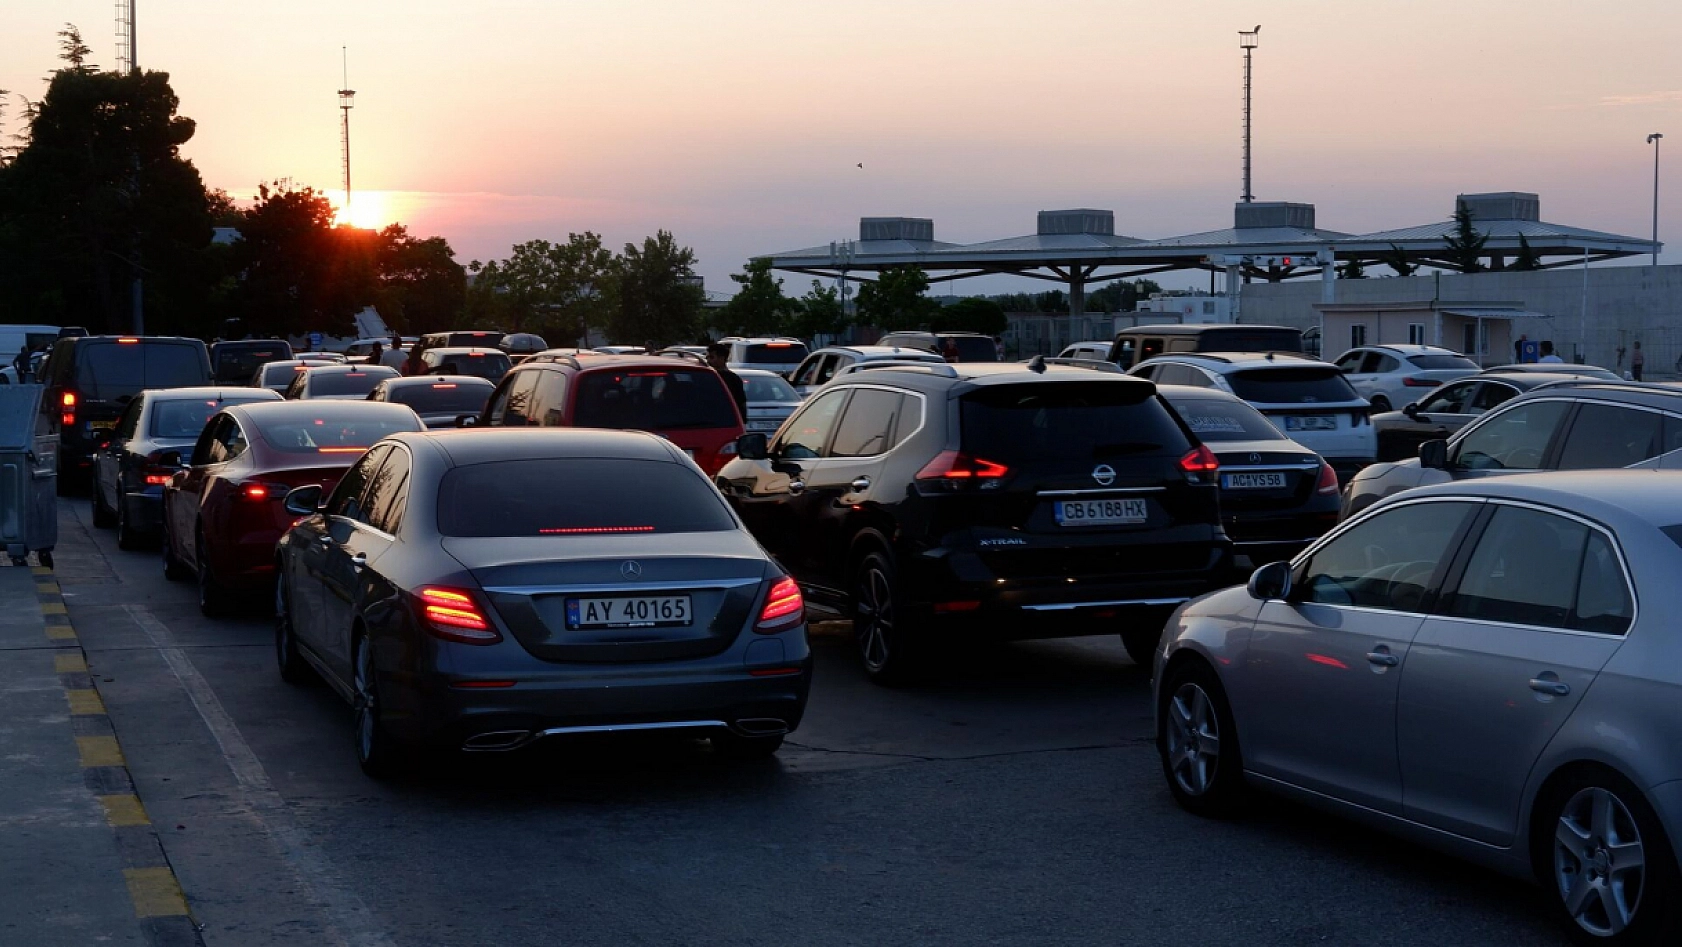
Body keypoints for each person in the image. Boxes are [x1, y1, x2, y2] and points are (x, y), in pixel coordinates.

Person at [707, 342, 748, 421]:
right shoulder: (707, 376)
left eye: (712, 357)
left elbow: (741, 402)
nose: (708, 361)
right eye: (707, 358)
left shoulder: (732, 379)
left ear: (722, 358)